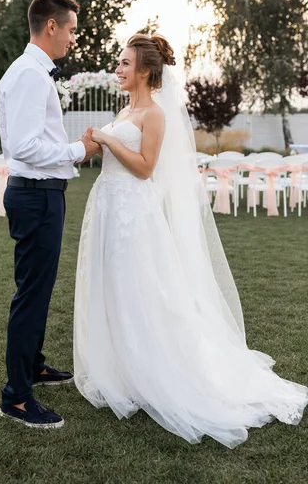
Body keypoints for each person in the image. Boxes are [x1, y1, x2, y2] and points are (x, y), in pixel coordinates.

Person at [73, 33, 308, 448]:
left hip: (133, 212)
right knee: (114, 290)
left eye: (125, 63)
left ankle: (155, 371)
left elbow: (145, 169)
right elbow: (110, 155)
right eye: (119, 63)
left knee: (141, 291)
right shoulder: (126, 109)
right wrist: (93, 145)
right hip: (110, 209)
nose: (118, 69)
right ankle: (123, 368)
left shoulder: (154, 114)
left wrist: (107, 139)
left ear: (145, 71)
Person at [0, 0, 99, 429]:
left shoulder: (34, 73)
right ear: (52, 26)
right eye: (72, 29)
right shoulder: (29, 75)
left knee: (39, 287)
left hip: (43, 194)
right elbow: (23, 146)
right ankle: (17, 398)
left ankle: (34, 366)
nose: (74, 39)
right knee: (32, 294)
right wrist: (80, 149)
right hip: (35, 195)